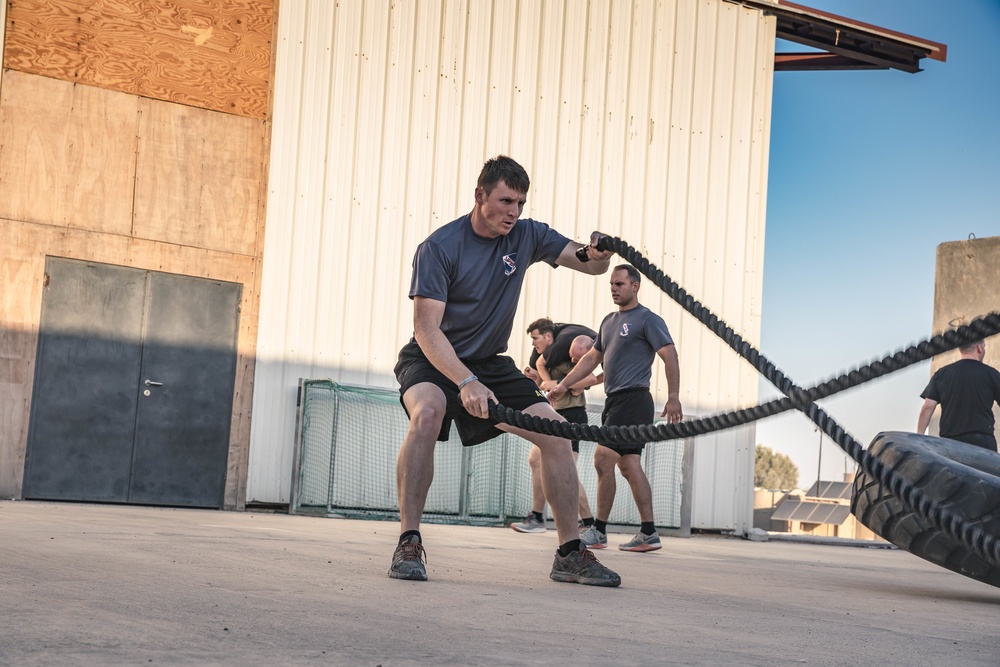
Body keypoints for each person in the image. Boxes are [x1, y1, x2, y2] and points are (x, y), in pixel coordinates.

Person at [389, 155, 621, 587]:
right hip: (432, 357)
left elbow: (588, 263)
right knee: (426, 415)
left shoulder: (527, 235)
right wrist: (464, 381)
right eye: (506, 200)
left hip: (490, 363)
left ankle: (570, 552)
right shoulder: (439, 247)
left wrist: (600, 253)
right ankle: (409, 541)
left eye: (521, 202)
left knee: (557, 434)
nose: (514, 211)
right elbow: (426, 329)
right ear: (481, 196)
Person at [548, 264, 683, 552]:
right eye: (612, 284)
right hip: (615, 401)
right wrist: (562, 385)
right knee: (629, 465)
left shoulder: (647, 319)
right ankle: (648, 532)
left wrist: (673, 396)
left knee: (602, 459)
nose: (614, 288)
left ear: (635, 286)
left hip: (634, 400)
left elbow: (669, 355)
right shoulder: (608, 322)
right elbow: (591, 360)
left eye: (620, 283)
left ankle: (598, 530)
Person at [512, 319, 602, 536]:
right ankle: (537, 517)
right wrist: (538, 380)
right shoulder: (547, 359)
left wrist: (564, 384)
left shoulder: (572, 358)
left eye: (536, 338)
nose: (534, 343)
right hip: (553, 415)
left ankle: (589, 522)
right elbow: (545, 386)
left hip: (571, 416)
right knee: (536, 460)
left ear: (548, 337)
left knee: (566, 470)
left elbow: (590, 378)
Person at [917, 338, 1000, 451]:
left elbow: (927, 407)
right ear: (979, 348)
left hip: (949, 443)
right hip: (982, 441)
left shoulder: (942, 374)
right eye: (984, 346)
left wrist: (919, 436)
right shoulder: (992, 374)